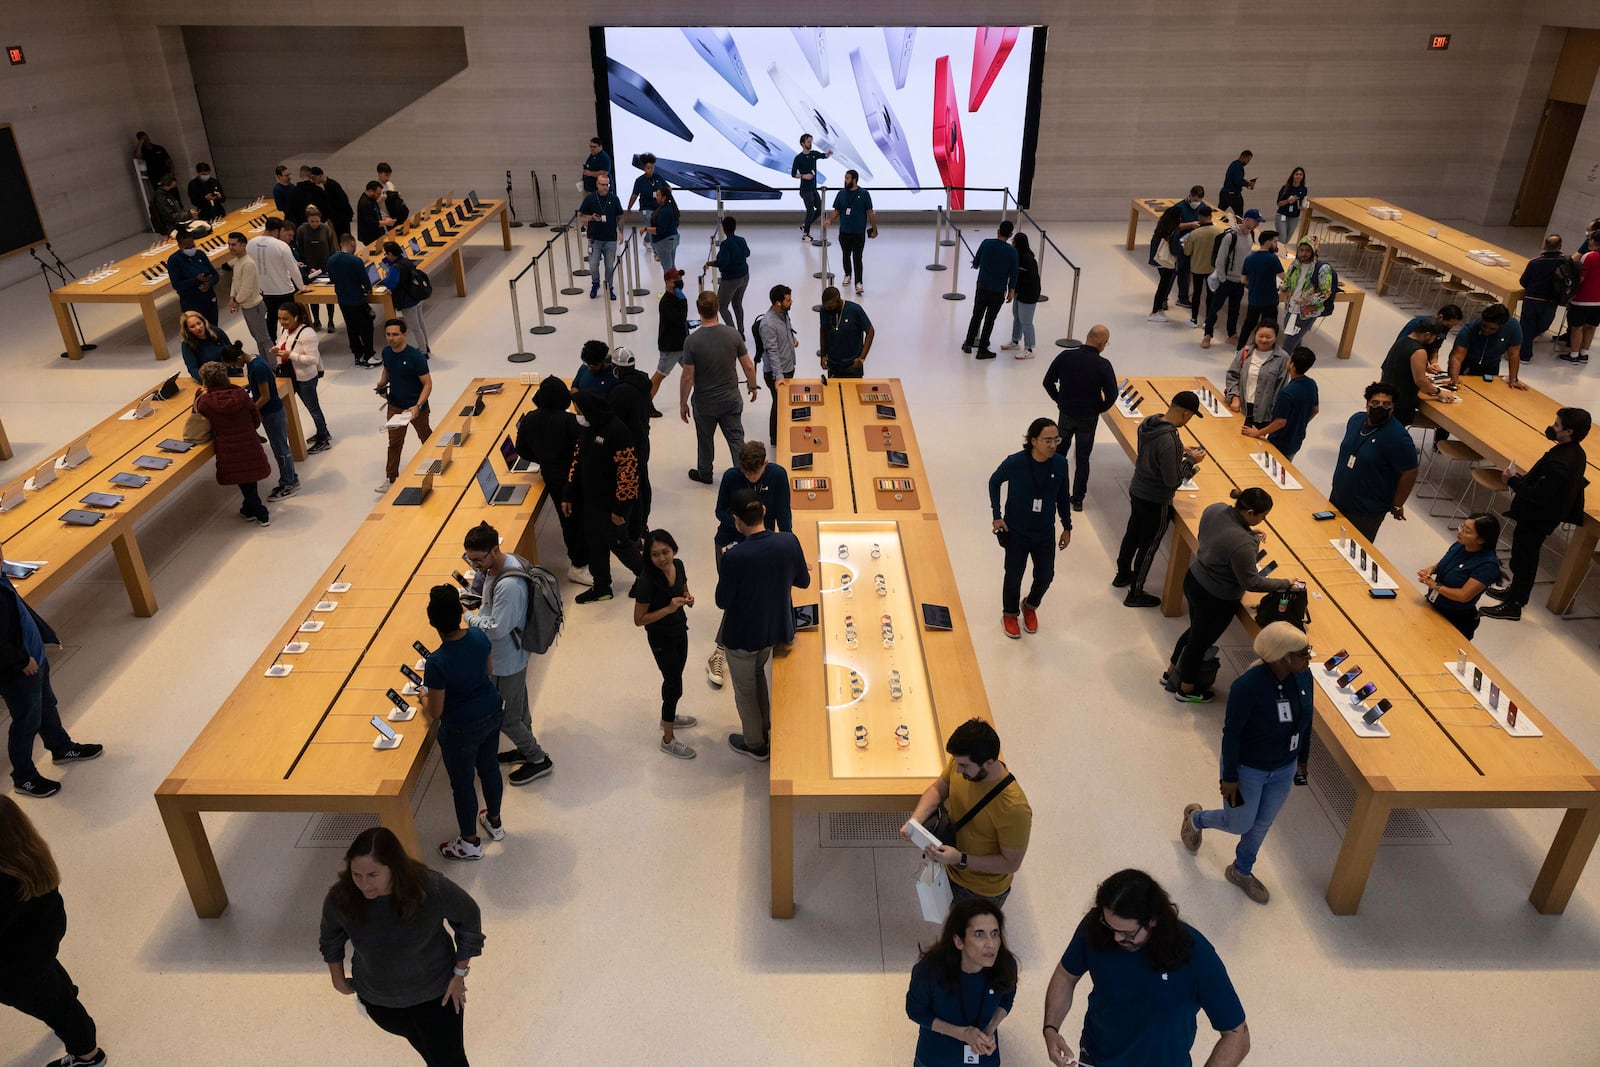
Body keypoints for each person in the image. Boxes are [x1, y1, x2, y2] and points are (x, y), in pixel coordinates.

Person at [1042, 869, 1249, 1067]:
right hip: (1096, 1057)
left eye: (1128, 934)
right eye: (1111, 927)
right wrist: (1051, 1028)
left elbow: (1237, 1035)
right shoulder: (1097, 927)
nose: (1116, 938)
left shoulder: (1195, 954)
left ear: (1153, 919)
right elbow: (1066, 976)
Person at [319, 826, 482, 1065]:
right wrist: (337, 978)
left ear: (394, 869)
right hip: (380, 1002)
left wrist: (459, 973)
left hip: (437, 997)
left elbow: (469, 918)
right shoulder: (342, 896)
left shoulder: (430, 888)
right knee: (433, 1054)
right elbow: (330, 935)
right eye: (356, 875)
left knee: (450, 1060)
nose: (364, 885)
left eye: (373, 875)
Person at [1181, 623, 1313, 904]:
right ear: (1284, 657)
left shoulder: (1303, 677)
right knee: (1239, 822)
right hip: (1246, 771)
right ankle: (1196, 818)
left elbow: (1305, 720)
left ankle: (1242, 870)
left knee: (1262, 823)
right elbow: (1232, 735)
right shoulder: (1247, 687)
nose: (1309, 658)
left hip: (1283, 768)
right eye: (1303, 653)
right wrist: (1229, 778)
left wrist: (1302, 759)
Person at [1165, 488, 1298, 704]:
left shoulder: (1215, 509)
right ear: (1250, 512)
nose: (1263, 520)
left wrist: (1249, 534)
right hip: (1216, 598)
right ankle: (1186, 690)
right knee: (1199, 644)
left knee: (1195, 633)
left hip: (1194, 579)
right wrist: (1285, 584)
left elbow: (1214, 538)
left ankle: (1171, 672)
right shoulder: (1243, 543)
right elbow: (1251, 582)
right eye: (1262, 516)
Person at [0, 796, 106, 1066]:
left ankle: (88, 1055)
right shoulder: (27, 854)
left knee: (56, 1007)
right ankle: (66, 992)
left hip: (13, 966)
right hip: (40, 937)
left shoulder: (4, 885)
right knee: (48, 978)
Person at [715, 492, 810, 761]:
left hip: (742, 635)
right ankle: (766, 728)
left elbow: (722, 600)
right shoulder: (789, 541)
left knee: (745, 692)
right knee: (757, 676)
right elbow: (803, 581)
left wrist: (726, 562)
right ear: (764, 511)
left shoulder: (735, 557)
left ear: (736, 520)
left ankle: (755, 744)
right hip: (773, 630)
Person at [460, 523, 554, 788]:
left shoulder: (509, 585)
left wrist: (468, 616)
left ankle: (538, 759)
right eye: (471, 560)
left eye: (479, 559)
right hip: (512, 655)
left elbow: (498, 628)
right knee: (519, 706)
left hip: (506, 660)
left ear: (495, 550)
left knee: (506, 717)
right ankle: (526, 749)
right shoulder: (500, 565)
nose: (476, 566)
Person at [903, 718, 1032, 906]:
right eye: (956, 763)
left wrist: (961, 858)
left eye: (963, 766)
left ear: (988, 763)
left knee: (963, 934)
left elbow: (1011, 863)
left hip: (979, 891)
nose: (957, 770)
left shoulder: (1015, 809)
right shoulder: (961, 762)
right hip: (948, 865)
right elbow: (938, 789)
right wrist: (915, 821)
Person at [0, 568, 101, 799]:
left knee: (47, 705)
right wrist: (21, 660)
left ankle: (62, 748)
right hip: (19, 669)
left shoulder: (2, 579)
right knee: (26, 722)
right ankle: (24, 778)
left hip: (35, 659)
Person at [1483, 407, 1591, 621]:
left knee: (1524, 560)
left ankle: (1515, 603)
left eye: (1557, 425)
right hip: (1542, 515)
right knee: (1523, 557)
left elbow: (1540, 496)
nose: (1553, 427)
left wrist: (1512, 481)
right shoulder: (1575, 452)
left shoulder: (1560, 461)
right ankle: (1514, 592)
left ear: (1568, 432)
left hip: (1537, 518)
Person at [421, 586, 505, 860]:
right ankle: (494, 822)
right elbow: (489, 671)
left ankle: (469, 843)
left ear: (432, 621)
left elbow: (435, 711)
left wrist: (423, 695)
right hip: (492, 712)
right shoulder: (479, 636)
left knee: (463, 784)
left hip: (460, 729)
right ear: (460, 613)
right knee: (490, 768)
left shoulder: (437, 662)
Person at [1115, 392, 1206, 607]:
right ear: (1185, 413)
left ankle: (1122, 574)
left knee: (1132, 534)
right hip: (1156, 499)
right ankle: (1135, 592)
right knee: (1149, 546)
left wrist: (1178, 451)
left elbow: (1152, 451)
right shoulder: (1170, 438)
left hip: (1137, 488)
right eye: (1191, 416)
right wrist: (1190, 461)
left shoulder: (1149, 423)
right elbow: (1172, 481)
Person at [904, 897, 1019, 1067]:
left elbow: (1007, 998)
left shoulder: (1005, 965)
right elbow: (915, 1010)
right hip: (936, 1057)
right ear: (959, 941)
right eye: (979, 934)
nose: (991, 944)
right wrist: (961, 1033)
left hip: (983, 1058)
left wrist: (989, 1029)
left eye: (995, 933)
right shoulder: (929, 971)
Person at [989, 419, 1072, 639]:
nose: (1053, 445)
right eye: (1047, 440)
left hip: (1044, 532)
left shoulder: (1061, 464)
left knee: (1046, 575)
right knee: (1014, 575)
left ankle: (1030, 605)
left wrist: (1067, 527)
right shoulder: (1015, 462)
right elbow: (994, 481)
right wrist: (996, 516)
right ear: (1033, 441)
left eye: (1056, 440)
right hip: (1016, 531)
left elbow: (1063, 498)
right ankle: (1009, 613)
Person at [566, 391, 644, 605]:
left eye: (578, 410)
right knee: (595, 543)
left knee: (619, 543)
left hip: (614, 505)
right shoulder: (587, 428)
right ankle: (601, 586)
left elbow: (628, 475)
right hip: (591, 502)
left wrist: (620, 509)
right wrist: (569, 493)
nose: (576, 414)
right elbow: (577, 460)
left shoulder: (617, 431)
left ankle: (646, 575)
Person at [514, 377, 591, 586]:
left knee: (567, 519)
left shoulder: (529, 419)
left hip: (550, 474)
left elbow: (520, 448)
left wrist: (542, 458)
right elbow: (583, 450)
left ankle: (580, 560)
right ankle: (578, 565)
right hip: (573, 478)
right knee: (577, 521)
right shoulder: (569, 422)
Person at [631, 529, 699, 759]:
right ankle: (667, 739)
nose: (662, 558)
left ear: (673, 550)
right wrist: (668, 609)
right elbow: (639, 620)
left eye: (665, 552)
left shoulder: (678, 565)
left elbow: (684, 587)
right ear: (648, 557)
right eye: (655, 554)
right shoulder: (647, 581)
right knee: (674, 684)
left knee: (675, 678)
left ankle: (667, 716)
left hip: (680, 630)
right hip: (661, 638)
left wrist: (688, 598)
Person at [680, 290, 758, 484]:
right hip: (730, 399)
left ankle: (705, 473)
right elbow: (748, 365)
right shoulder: (733, 334)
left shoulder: (692, 341)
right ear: (717, 308)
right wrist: (753, 386)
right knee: (735, 438)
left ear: (698, 310)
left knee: (705, 440)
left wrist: (683, 403)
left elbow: (687, 376)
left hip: (704, 402)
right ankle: (743, 476)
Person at [1328, 382, 1420, 542]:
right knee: (1326, 537)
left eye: (1386, 404)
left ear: (1393, 408)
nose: (1380, 407)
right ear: (1367, 404)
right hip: (1338, 498)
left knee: (1352, 551)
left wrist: (1397, 504)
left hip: (1365, 511)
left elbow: (1410, 472)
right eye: (1375, 403)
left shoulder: (1398, 438)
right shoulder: (1356, 420)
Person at [1041, 326, 1118, 512]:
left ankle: (1053, 492)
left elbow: (1047, 381)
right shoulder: (1103, 365)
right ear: (1101, 343)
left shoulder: (1066, 356)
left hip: (1066, 414)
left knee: (1059, 454)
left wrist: (1059, 400)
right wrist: (1098, 408)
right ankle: (1077, 499)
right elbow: (1112, 394)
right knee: (1083, 458)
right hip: (1088, 418)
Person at [195, 360, 272, 526]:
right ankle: (248, 509)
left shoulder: (205, 402)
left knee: (243, 479)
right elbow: (255, 418)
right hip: (249, 442)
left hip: (227, 447)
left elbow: (197, 420)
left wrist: (197, 398)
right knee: (249, 476)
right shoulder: (242, 395)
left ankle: (260, 512)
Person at [227, 336, 297, 501]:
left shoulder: (257, 367)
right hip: (271, 412)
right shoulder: (254, 360)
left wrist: (251, 410)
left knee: (281, 450)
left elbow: (265, 396)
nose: (233, 368)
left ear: (238, 359)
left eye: (232, 365)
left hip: (272, 413)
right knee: (279, 448)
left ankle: (289, 483)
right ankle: (289, 479)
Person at [1417, 513, 1503, 638]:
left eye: (1467, 531)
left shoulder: (1488, 565)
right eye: (1462, 526)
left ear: (1481, 539)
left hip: (1455, 619)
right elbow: (1443, 565)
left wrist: (1433, 584)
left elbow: (1463, 595)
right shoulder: (1460, 545)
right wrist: (1431, 569)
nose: (1461, 532)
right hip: (1433, 604)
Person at [375, 318, 433, 493]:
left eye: (395, 334)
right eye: (388, 335)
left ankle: (437, 466)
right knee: (394, 443)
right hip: (395, 406)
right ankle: (391, 477)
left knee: (426, 438)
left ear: (404, 335)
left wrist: (418, 406)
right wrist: (382, 383)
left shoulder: (415, 357)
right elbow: (387, 369)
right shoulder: (386, 352)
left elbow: (428, 384)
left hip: (416, 408)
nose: (391, 338)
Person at [608, 347, 657, 537]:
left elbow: (612, 418)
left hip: (627, 446)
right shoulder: (643, 382)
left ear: (616, 368)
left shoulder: (620, 392)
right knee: (643, 483)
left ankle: (634, 529)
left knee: (632, 488)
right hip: (642, 440)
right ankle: (642, 523)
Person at [274, 301, 332, 455]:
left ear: (296, 317)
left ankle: (324, 439)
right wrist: (277, 351)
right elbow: (283, 346)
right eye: (280, 318)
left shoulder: (307, 334)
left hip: (305, 377)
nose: (282, 322)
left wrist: (290, 355)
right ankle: (323, 431)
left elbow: (313, 359)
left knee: (313, 408)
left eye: (285, 319)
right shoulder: (285, 331)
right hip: (290, 375)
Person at [1243, 348, 1318, 461]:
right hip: (1297, 439)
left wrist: (1257, 433)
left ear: (1292, 365)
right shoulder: (1311, 384)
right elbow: (1315, 409)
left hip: (1280, 442)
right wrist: (1300, 422)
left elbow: (1280, 422)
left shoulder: (1287, 393)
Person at [1202, 209, 1261, 349]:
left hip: (1239, 281)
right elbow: (1220, 259)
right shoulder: (1230, 236)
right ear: (1246, 219)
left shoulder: (1251, 235)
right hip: (1226, 280)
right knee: (1214, 308)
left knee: (1235, 310)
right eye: (1255, 220)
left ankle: (1231, 334)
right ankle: (1207, 335)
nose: (1257, 223)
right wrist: (1222, 278)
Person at [963, 221, 1019, 360]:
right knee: (990, 319)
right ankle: (982, 349)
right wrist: (1011, 290)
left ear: (998, 231)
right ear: (1010, 235)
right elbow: (1013, 274)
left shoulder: (986, 243)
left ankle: (968, 344)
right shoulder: (1012, 252)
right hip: (998, 290)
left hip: (982, 286)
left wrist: (976, 264)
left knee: (977, 315)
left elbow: (976, 262)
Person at [1379, 316, 1449, 426]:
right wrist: (1439, 392)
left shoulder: (1402, 341)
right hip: (1402, 401)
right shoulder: (1419, 351)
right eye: (1434, 337)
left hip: (1388, 395)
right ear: (1427, 334)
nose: (1434, 340)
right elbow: (1421, 381)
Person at [756, 284, 798, 445]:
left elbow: (787, 327)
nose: (791, 302)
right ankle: (776, 437)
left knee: (782, 403)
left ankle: (781, 432)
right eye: (788, 300)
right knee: (779, 405)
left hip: (788, 366)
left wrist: (791, 338)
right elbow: (771, 352)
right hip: (776, 373)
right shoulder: (768, 324)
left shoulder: (783, 313)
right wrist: (779, 377)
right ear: (778, 303)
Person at [248, 218, 304, 339]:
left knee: (271, 318)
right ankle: (291, 341)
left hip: (264, 290)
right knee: (289, 318)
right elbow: (294, 270)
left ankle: (272, 342)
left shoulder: (251, 243)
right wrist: (302, 287)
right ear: (276, 231)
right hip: (283, 290)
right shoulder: (281, 246)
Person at [1223, 323, 1288, 428]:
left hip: (1263, 414)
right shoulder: (1245, 352)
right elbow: (1232, 376)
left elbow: (1281, 387)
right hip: (1240, 407)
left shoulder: (1282, 358)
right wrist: (1235, 397)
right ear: (1255, 335)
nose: (1264, 340)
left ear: (1276, 337)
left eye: (1268, 337)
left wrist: (1275, 412)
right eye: (1260, 336)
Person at [824, 169, 876, 296]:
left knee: (857, 257)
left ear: (854, 180)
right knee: (846, 255)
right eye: (845, 178)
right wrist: (829, 220)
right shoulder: (841, 194)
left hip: (858, 232)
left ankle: (859, 282)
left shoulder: (864, 194)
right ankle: (847, 274)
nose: (845, 180)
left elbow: (870, 212)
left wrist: (875, 228)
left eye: (847, 178)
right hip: (844, 231)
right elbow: (837, 210)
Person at [1447, 303, 1524, 388]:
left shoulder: (1512, 327)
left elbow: (1514, 354)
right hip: (1466, 366)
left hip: (1491, 366)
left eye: (1492, 329)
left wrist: (1513, 379)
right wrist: (1454, 379)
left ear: (1502, 326)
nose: (1486, 330)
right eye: (1484, 326)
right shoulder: (1469, 330)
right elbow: (1456, 358)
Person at [1277, 236, 1333, 353]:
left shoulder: (1323, 269)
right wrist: (1283, 288)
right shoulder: (1295, 265)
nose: (1304, 253)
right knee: (1295, 342)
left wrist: (1308, 300)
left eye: (1307, 250)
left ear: (1314, 251)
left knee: (1287, 346)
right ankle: (1296, 367)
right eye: (1301, 250)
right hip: (1290, 308)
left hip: (1306, 313)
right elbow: (1287, 281)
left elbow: (1325, 292)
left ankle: (1280, 368)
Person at [328, 234, 377, 366]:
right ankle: (369, 355)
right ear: (352, 244)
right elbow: (366, 282)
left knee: (351, 328)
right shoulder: (356, 261)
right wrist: (368, 289)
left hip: (343, 301)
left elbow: (332, 280)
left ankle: (358, 355)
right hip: (357, 300)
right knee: (366, 328)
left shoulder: (331, 259)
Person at [225, 230, 273, 358]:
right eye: (229, 244)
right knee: (257, 337)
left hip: (254, 306)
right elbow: (235, 281)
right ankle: (265, 361)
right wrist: (231, 297)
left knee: (264, 338)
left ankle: (274, 366)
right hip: (246, 306)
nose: (230, 247)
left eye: (234, 244)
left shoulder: (248, 263)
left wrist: (236, 302)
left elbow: (247, 288)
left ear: (243, 245)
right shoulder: (237, 262)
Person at [381, 241, 431, 355]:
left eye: (386, 254)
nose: (386, 256)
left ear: (390, 254)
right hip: (416, 297)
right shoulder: (406, 261)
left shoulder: (395, 268)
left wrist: (385, 277)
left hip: (407, 302)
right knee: (421, 324)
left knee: (415, 328)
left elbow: (390, 284)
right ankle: (425, 346)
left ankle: (423, 351)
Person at [1518, 234, 1565, 352]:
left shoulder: (1534, 262)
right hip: (1551, 300)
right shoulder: (1564, 263)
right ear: (1560, 247)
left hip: (1532, 298)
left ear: (1545, 245)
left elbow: (1523, 281)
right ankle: (1530, 338)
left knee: (1527, 325)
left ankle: (1524, 354)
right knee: (1544, 324)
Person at [579, 174, 624, 300]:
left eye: (607, 184)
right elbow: (581, 215)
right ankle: (595, 283)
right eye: (603, 184)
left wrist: (620, 232)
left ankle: (609, 287)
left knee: (610, 265)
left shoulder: (614, 198)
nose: (605, 187)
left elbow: (620, 216)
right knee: (593, 264)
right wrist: (591, 218)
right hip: (594, 238)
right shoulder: (590, 198)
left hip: (610, 238)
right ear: (597, 185)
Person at [294, 205, 338, 329]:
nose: (315, 224)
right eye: (312, 221)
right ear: (307, 220)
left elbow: (332, 248)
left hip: (325, 266)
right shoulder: (302, 230)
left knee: (329, 296)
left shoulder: (325, 229)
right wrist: (306, 268)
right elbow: (300, 250)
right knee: (312, 297)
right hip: (310, 268)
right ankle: (316, 320)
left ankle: (331, 321)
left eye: (317, 221)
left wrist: (332, 265)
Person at [818, 285, 874, 379]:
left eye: (830, 307)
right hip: (833, 365)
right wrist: (823, 355)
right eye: (826, 307)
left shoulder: (855, 310)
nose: (828, 310)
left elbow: (870, 331)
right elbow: (823, 331)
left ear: (838, 300)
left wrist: (862, 358)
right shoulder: (824, 311)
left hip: (852, 365)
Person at [167, 225, 220, 324]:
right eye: (187, 247)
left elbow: (215, 275)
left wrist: (209, 284)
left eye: (193, 246)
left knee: (213, 327)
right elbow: (177, 285)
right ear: (179, 246)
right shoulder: (174, 260)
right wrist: (196, 280)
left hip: (209, 298)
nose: (191, 249)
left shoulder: (200, 254)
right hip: (191, 303)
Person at [1237, 230, 1283, 342]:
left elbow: (1243, 280)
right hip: (1269, 300)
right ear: (1268, 242)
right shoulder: (1272, 258)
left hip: (1254, 299)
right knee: (1269, 327)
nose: (1276, 245)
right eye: (1275, 242)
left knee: (1249, 324)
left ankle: (1240, 348)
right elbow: (1284, 277)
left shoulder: (1249, 258)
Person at [1179, 207, 1221, 328]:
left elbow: (1187, 252)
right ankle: (1209, 320)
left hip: (1197, 268)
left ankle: (1194, 319)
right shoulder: (1219, 232)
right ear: (1210, 216)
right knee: (1211, 295)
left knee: (1196, 294)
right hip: (1212, 269)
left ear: (1199, 217)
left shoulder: (1194, 234)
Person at [708, 216, 752, 333]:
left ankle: (733, 333)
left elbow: (722, 262)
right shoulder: (741, 240)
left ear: (723, 228)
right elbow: (747, 253)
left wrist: (710, 263)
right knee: (737, 304)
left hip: (731, 279)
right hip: (744, 276)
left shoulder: (725, 244)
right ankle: (741, 331)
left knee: (722, 306)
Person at [1170, 187, 1211, 309]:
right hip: (1182, 242)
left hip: (1197, 243)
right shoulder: (1179, 207)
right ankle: (1181, 297)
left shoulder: (1202, 207)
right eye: (1194, 200)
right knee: (1181, 270)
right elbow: (1174, 225)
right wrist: (1190, 224)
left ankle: (1185, 295)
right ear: (1189, 195)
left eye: (1198, 201)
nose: (1196, 203)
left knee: (1191, 270)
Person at [652, 269, 690, 400]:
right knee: (660, 375)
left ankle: (703, 397)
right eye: (676, 280)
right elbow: (680, 318)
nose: (679, 282)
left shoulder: (676, 298)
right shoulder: (667, 302)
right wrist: (683, 301)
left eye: (680, 279)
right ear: (668, 282)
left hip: (682, 344)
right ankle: (646, 403)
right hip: (671, 347)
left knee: (692, 371)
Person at [1003, 233, 1042, 358]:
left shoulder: (1028, 259)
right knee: (1017, 317)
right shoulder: (1017, 256)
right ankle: (1015, 340)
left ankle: (1029, 348)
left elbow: (1030, 279)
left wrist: (1016, 286)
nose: (1012, 243)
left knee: (1026, 321)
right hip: (1020, 292)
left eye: (1014, 241)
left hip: (1029, 294)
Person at [1564, 238, 1600, 364]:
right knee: (1591, 326)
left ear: (1594, 241)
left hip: (1583, 299)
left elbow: (1581, 278)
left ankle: (1574, 354)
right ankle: (1584, 354)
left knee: (1577, 327)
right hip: (1598, 301)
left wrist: (1570, 292)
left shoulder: (1589, 256)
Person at [1396, 304, 1463, 371]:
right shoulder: (1419, 323)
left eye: (1453, 326)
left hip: (1418, 366)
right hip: (1400, 365)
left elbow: (1434, 350)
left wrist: (1435, 365)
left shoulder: (1443, 330)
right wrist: (1425, 366)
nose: (1450, 328)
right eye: (1448, 325)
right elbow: (1402, 348)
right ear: (1440, 317)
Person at [791, 134, 832, 241]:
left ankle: (805, 225)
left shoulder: (814, 154)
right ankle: (805, 234)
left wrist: (829, 154)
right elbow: (793, 174)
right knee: (810, 210)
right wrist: (804, 176)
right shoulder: (798, 158)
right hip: (805, 190)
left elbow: (824, 156)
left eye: (811, 141)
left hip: (813, 189)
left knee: (820, 209)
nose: (810, 144)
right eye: (808, 142)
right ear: (802, 143)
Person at [178, 310, 234, 384]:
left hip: (232, 374)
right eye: (192, 326)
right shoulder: (187, 345)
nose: (198, 328)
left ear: (203, 322)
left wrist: (239, 371)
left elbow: (233, 351)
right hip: (211, 381)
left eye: (199, 323)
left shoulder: (216, 331)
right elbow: (193, 369)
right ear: (188, 330)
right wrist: (208, 382)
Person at [626, 154, 667, 252]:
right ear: (644, 168)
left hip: (658, 208)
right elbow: (634, 195)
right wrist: (629, 207)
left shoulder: (658, 177)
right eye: (648, 168)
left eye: (652, 168)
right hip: (646, 208)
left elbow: (667, 188)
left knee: (654, 226)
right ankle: (656, 250)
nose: (651, 170)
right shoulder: (640, 181)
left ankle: (646, 240)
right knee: (651, 224)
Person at [308, 167, 355, 238]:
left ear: (320, 175)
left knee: (344, 238)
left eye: (314, 178)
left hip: (341, 219)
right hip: (338, 218)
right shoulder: (327, 185)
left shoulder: (333, 185)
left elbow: (343, 201)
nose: (313, 180)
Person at [644, 187, 679, 274]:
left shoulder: (664, 211)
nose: (656, 197)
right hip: (673, 238)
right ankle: (676, 287)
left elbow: (660, 230)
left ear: (664, 198)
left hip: (664, 241)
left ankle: (669, 287)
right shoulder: (671, 208)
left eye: (658, 195)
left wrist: (646, 229)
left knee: (667, 270)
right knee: (672, 267)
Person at [1273, 166, 1308, 242]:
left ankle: (1278, 252)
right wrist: (1288, 201)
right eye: (1297, 174)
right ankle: (1278, 253)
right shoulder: (1285, 188)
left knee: (1286, 240)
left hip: (1294, 217)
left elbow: (1302, 203)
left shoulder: (1303, 189)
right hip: (1282, 216)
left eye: (1301, 174)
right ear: (1293, 175)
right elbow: (1278, 204)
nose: (1299, 176)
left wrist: (1303, 207)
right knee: (1282, 239)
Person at [1218, 149, 1255, 215]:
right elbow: (1238, 182)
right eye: (1248, 160)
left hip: (1224, 193)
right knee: (1239, 215)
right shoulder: (1239, 167)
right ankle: (1238, 225)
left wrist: (1244, 181)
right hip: (1233, 195)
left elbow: (1234, 178)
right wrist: (1248, 184)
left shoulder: (1233, 163)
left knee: (1219, 213)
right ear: (1244, 157)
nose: (1248, 162)